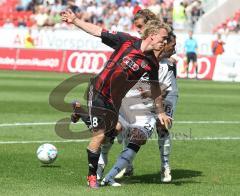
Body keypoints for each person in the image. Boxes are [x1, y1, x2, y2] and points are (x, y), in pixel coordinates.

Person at [61, 9, 172, 189]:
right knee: (100, 135)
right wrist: (75, 21)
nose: (165, 42)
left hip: (114, 101)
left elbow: (155, 89)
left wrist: (160, 112)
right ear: (152, 36)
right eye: (163, 38)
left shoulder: (152, 63)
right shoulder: (126, 40)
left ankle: (81, 112)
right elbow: (98, 31)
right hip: (98, 91)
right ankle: (92, 177)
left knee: (116, 130)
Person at [100, 28, 178, 187]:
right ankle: (100, 171)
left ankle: (165, 166)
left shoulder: (167, 66)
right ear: (161, 44)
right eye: (171, 45)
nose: (174, 49)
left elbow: (163, 90)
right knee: (113, 130)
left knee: (159, 128)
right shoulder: (140, 58)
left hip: (157, 103)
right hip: (130, 103)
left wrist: (150, 95)